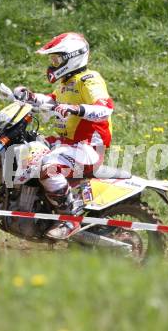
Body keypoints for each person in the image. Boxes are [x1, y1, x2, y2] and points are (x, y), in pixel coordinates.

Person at [14, 32, 114, 239]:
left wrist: (75, 109)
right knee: (30, 147)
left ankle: (70, 219)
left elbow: (105, 109)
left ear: (73, 57)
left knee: (48, 167)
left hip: (88, 148)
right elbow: (51, 102)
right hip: (68, 144)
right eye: (52, 59)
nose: (53, 64)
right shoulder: (66, 83)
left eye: (57, 59)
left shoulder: (89, 79)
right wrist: (30, 97)